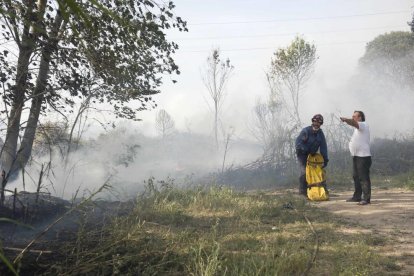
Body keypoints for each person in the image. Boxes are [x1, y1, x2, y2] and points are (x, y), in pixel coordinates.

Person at [340, 111, 372, 205]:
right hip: (356, 156)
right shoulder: (357, 129)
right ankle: (357, 196)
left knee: (363, 177)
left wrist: (346, 120)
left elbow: (354, 123)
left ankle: (366, 199)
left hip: (363, 157)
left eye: (354, 116)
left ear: (360, 117)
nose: (353, 118)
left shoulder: (363, 125)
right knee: (356, 177)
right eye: (352, 116)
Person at [295, 114, 328, 196]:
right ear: (312, 121)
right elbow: (298, 143)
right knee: (303, 172)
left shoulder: (320, 134)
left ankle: (318, 191)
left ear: (321, 124)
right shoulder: (306, 131)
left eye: (319, 122)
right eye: (315, 121)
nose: (317, 124)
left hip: (312, 155)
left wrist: (325, 159)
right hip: (302, 154)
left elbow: (323, 147)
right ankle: (302, 193)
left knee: (317, 172)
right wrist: (305, 149)